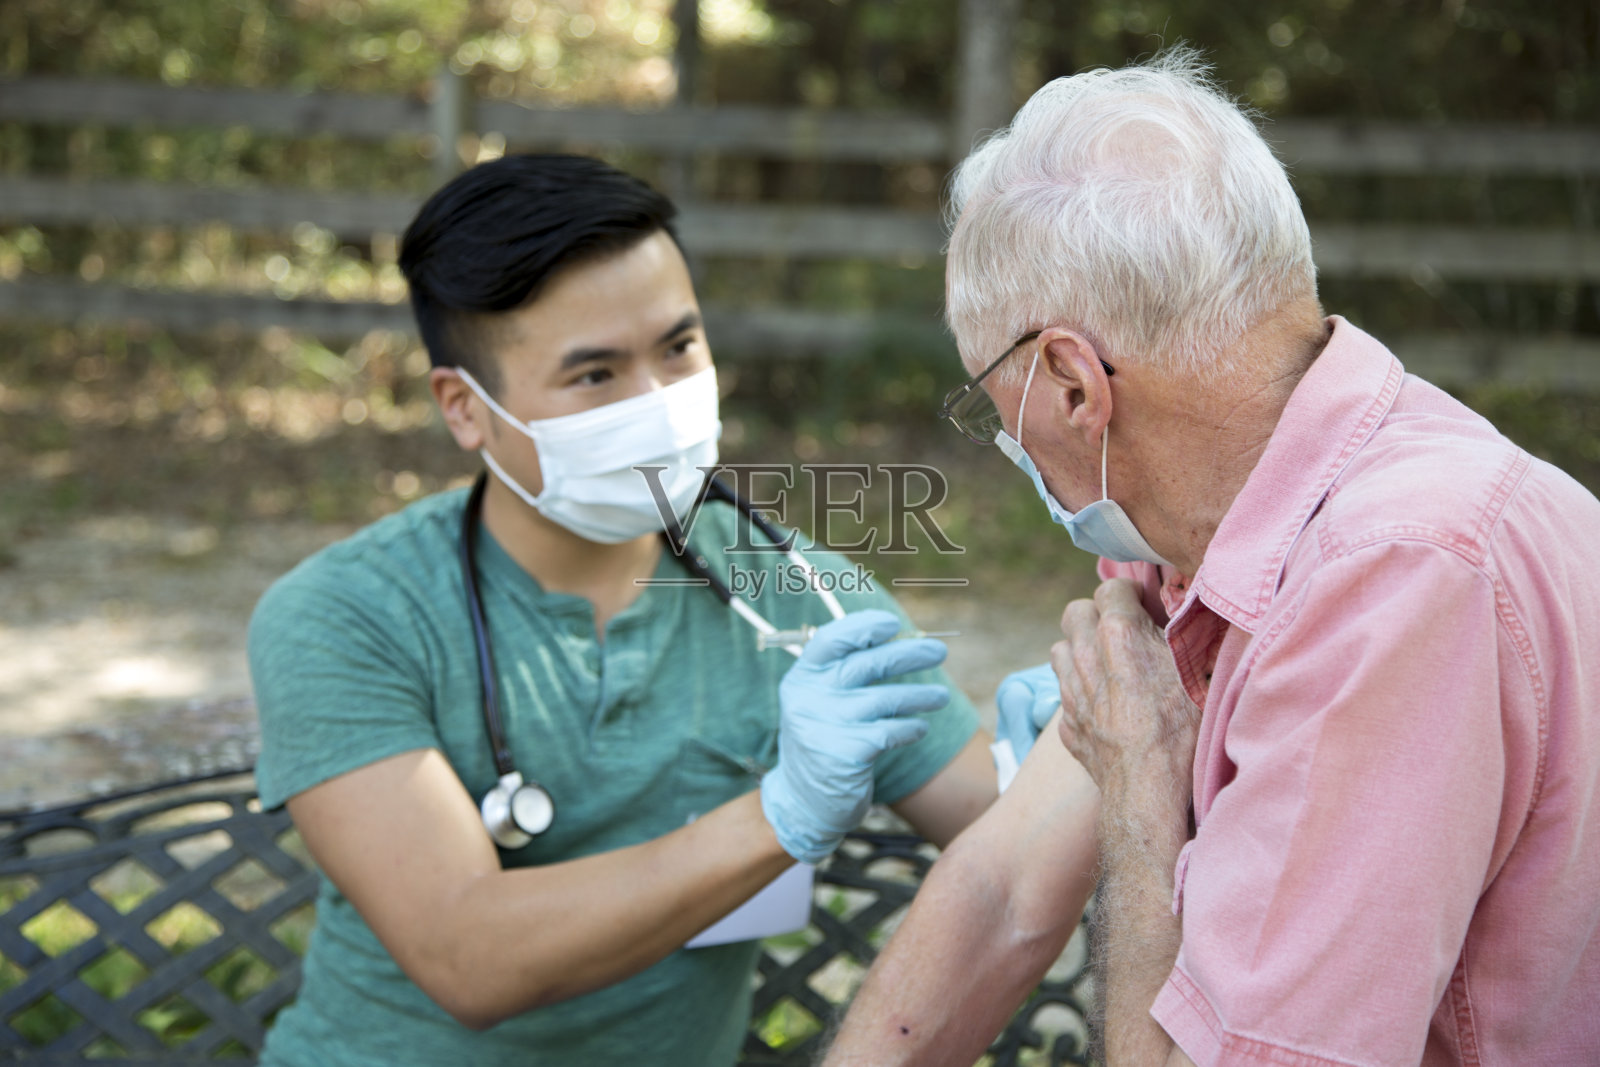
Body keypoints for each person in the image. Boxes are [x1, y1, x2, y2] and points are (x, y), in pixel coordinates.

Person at [824, 48, 1600, 1066]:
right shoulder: (1212, 514)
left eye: (987, 404)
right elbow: (1006, 884)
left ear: (1068, 381)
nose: (1004, 442)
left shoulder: (1391, 576)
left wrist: (1142, 792)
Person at [246, 153, 1006, 1066]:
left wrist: (1079, 749)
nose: (659, 406)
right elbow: (468, 956)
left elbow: (996, 821)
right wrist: (783, 813)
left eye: (678, 348)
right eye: (596, 375)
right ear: (466, 409)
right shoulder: (348, 616)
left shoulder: (791, 590)